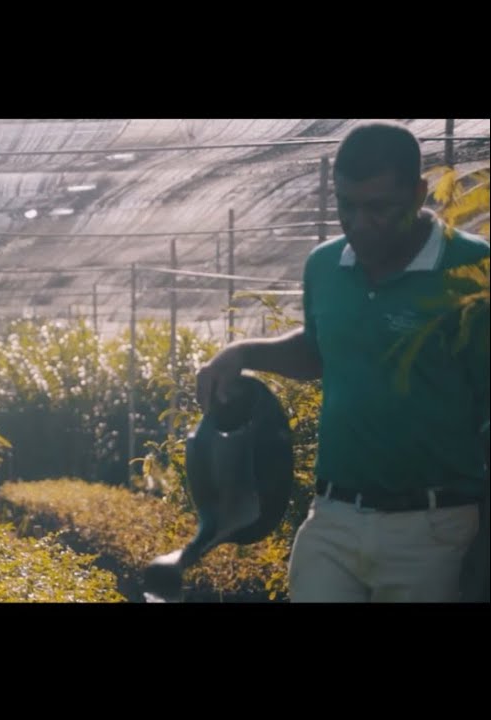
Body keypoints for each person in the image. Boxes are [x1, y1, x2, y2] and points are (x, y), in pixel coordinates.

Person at [195, 120, 490, 602]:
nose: (358, 223)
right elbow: (317, 350)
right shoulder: (326, 266)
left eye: (379, 208)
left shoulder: (472, 271)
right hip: (333, 517)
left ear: (418, 194)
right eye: (345, 205)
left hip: (433, 529)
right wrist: (241, 353)